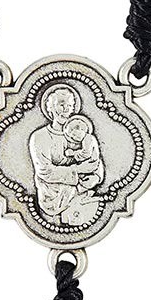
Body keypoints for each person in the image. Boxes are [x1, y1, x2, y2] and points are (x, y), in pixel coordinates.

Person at [29, 86, 101, 224]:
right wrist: (78, 170)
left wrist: (96, 178)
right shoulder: (40, 137)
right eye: (61, 104)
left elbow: (95, 160)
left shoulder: (82, 135)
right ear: (50, 108)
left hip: (83, 193)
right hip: (52, 199)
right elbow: (45, 171)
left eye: (70, 105)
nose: (66, 109)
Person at [63, 115, 104, 193]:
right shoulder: (86, 139)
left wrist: (73, 153)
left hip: (92, 164)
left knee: (86, 182)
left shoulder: (88, 138)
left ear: (82, 129)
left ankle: (82, 191)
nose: (73, 138)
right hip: (90, 165)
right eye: (71, 137)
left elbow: (86, 153)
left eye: (74, 135)